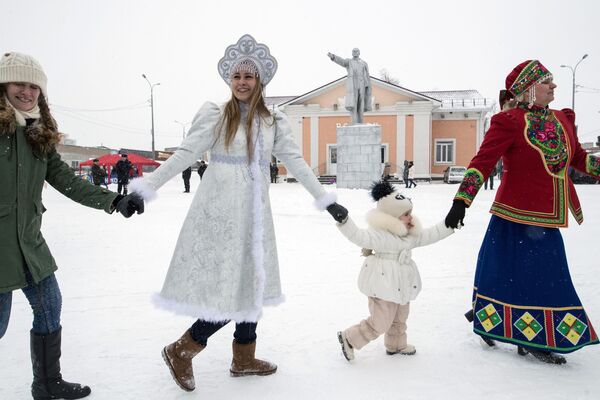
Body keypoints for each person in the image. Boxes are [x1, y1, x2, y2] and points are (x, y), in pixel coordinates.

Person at [123, 34, 343, 392]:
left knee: (252, 282)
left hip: (255, 216)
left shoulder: (273, 121)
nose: (242, 83)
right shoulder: (215, 115)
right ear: (230, 80)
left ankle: (243, 358)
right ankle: (183, 348)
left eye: (249, 77)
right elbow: (184, 154)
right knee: (230, 287)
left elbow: (296, 162)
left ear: (260, 81)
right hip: (220, 213)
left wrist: (325, 199)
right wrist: (146, 189)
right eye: (237, 77)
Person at [0, 51, 144, 400]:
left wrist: (114, 200)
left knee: (50, 304)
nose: (27, 92)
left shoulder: (39, 135)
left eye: (35, 86)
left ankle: (47, 385)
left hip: (29, 242)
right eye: (20, 83)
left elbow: (66, 179)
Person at [444, 60, 600, 364]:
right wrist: (461, 200)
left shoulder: (562, 120)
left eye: (553, 81)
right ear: (529, 89)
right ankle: (528, 336)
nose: (553, 86)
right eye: (546, 81)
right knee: (514, 275)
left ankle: (500, 323)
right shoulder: (510, 121)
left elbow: (579, 159)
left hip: (547, 218)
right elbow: (483, 161)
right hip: (512, 215)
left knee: (541, 277)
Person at [334, 181, 454, 361]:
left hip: (402, 284)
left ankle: (396, 345)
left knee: (400, 317)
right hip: (382, 285)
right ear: (392, 218)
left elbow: (431, 234)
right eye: (405, 215)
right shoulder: (380, 236)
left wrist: (449, 224)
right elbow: (358, 236)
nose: (410, 218)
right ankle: (350, 338)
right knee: (380, 322)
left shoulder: (410, 235)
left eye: (410, 213)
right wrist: (344, 221)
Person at [327, 48, 372, 124]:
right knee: (353, 103)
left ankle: (360, 121)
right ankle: (354, 121)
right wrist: (333, 57)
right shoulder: (349, 62)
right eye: (353, 51)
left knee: (361, 103)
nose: (355, 52)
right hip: (353, 83)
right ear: (352, 53)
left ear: (359, 53)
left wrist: (368, 86)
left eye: (356, 51)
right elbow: (341, 61)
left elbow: (367, 75)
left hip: (362, 84)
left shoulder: (364, 63)